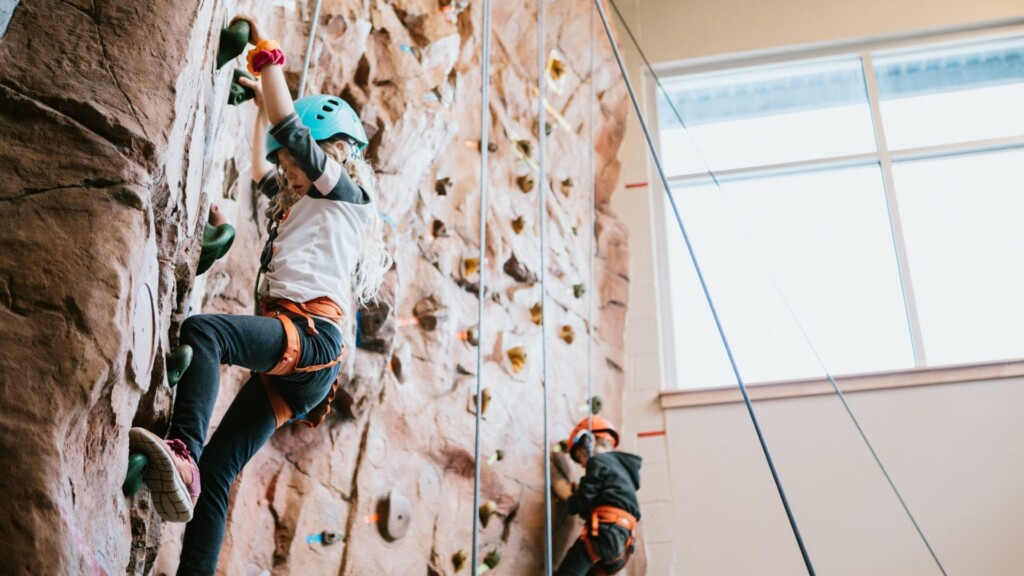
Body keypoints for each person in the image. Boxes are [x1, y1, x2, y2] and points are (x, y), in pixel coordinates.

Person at [128, 13, 390, 575]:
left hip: (312, 337)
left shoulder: (341, 192)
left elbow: (292, 129)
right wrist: (257, 109)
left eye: (295, 160)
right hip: (306, 364)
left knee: (206, 332)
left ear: (328, 151)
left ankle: (182, 453)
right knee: (223, 473)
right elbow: (260, 163)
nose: (286, 167)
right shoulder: (307, 200)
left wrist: (267, 60)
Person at [554, 416, 643, 576]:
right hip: (623, 545)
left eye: (580, 455)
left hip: (603, 534)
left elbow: (581, 503)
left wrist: (568, 497)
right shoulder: (623, 472)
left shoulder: (598, 461)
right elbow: (605, 499)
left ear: (589, 443)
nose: (582, 464)